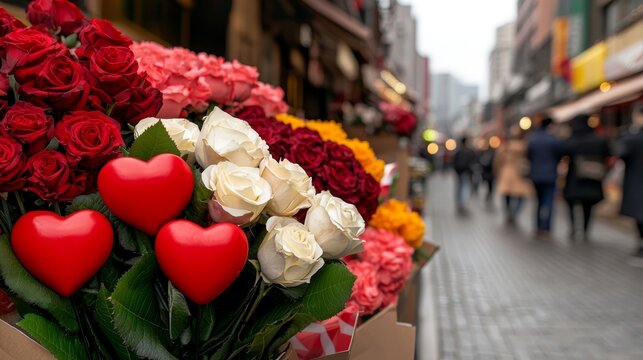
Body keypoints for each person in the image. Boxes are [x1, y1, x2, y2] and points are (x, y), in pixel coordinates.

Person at [562, 114, 610, 241]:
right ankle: (585, 229)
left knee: (571, 203)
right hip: (592, 177)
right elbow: (608, 153)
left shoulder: (571, 139)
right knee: (588, 206)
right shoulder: (598, 139)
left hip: (574, 178)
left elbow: (562, 152)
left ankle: (573, 227)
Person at [527, 117, 564, 236]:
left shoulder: (533, 138)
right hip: (550, 174)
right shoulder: (553, 139)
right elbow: (560, 153)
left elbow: (529, 155)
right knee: (549, 202)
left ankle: (538, 226)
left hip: (535, 175)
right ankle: (546, 227)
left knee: (538, 201)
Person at [618, 104, 643, 259]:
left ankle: (641, 241)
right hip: (637, 179)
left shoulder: (633, 137)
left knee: (639, 213)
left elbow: (622, 153)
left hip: (636, 179)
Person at [495, 130, 532, 225]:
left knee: (507, 194)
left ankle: (508, 212)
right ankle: (515, 213)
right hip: (520, 172)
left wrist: (497, 171)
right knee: (521, 195)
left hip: (507, 172)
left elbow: (498, 160)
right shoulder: (525, 147)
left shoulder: (505, 147)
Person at [452, 137, 477, 214]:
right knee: (465, 187)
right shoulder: (469, 151)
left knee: (459, 187)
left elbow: (454, 161)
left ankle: (459, 203)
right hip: (466, 172)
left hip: (459, 172)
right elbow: (474, 161)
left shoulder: (458, 151)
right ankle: (462, 204)